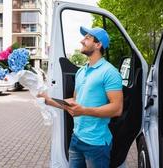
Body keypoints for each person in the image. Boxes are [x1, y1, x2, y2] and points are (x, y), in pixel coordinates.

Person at [38, 26, 123, 168]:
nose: (82, 41)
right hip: (76, 139)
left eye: (87, 38)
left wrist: (84, 111)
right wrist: (47, 100)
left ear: (98, 44)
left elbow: (117, 108)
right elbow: (74, 102)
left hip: (97, 144)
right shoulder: (81, 72)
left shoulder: (110, 72)